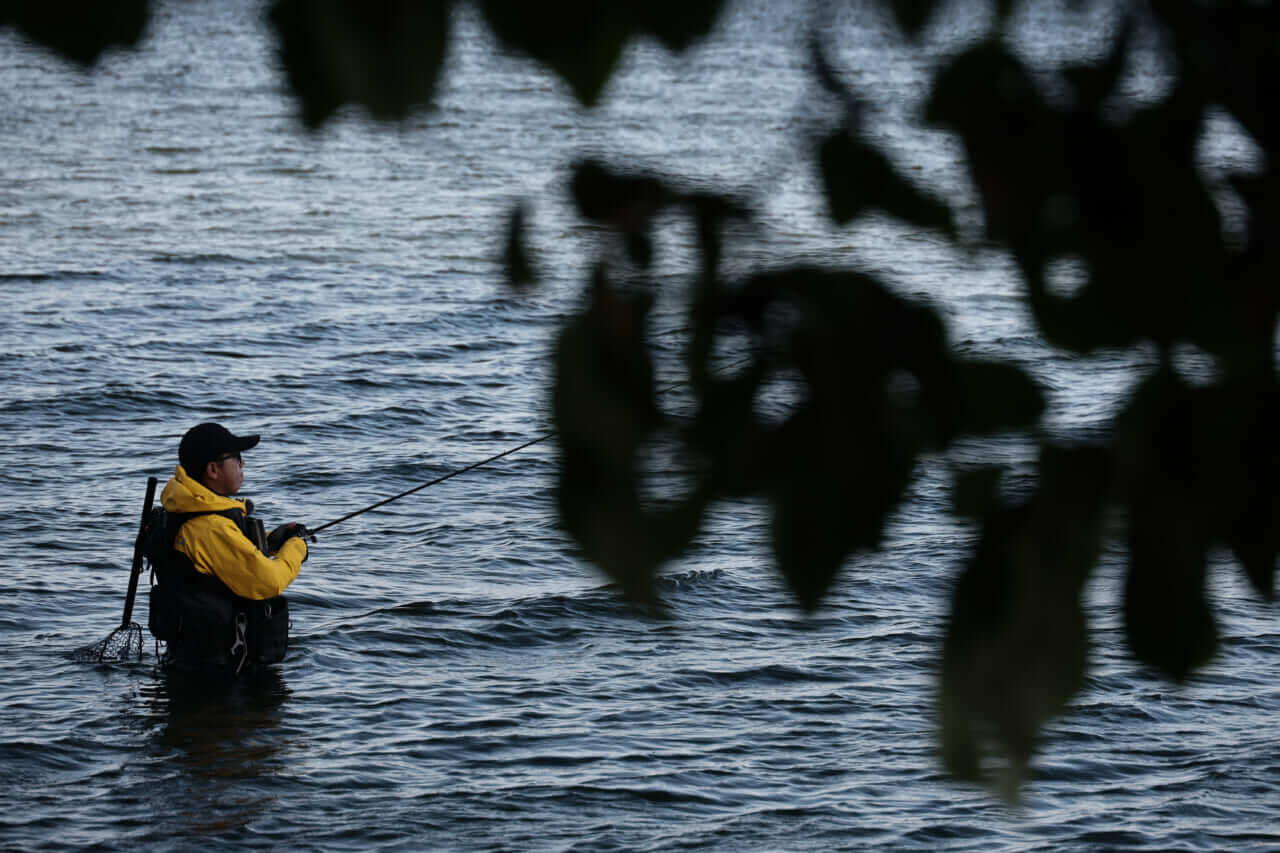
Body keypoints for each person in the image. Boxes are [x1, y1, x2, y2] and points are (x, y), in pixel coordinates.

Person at [147, 422, 310, 673]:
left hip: (194, 661)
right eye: (237, 458)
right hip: (218, 674)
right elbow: (268, 581)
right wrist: (297, 547)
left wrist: (270, 541)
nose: (243, 465)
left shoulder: (186, 510)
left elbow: (220, 557)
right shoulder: (210, 526)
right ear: (213, 469)